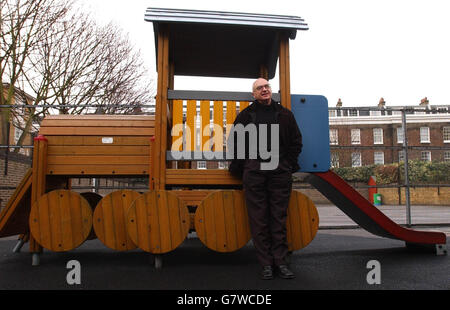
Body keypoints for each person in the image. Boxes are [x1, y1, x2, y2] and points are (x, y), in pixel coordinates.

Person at [228, 78, 303, 280]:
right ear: (253, 94)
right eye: (259, 88)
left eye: (266, 86)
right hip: (254, 170)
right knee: (258, 219)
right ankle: (266, 264)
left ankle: (281, 262)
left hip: (279, 169)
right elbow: (234, 143)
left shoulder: (285, 115)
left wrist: (287, 163)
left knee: (278, 218)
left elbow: (296, 141)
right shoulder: (245, 116)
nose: (264, 90)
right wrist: (244, 166)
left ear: (271, 90)